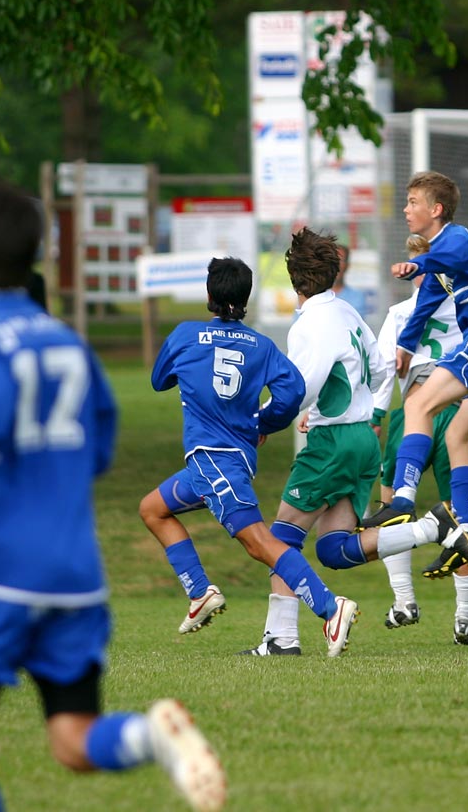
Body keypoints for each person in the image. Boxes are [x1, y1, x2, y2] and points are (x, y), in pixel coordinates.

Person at [0, 179, 228, 812]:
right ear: (35, 254)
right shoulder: (69, 345)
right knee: (72, 740)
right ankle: (151, 737)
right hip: (74, 574)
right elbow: (99, 446)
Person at [243, 227, 455, 657]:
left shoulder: (312, 324)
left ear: (294, 279)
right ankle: (432, 528)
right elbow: (379, 371)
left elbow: (300, 387)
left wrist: (263, 420)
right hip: (362, 440)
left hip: (334, 442)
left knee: (281, 537)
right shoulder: (347, 313)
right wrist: (332, 407)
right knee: (334, 549)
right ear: (332, 273)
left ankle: (281, 639)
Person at [138, 256, 362, 659]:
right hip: (228, 460)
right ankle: (200, 592)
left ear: (209, 294)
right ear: (245, 296)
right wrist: (263, 423)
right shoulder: (261, 345)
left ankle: (331, 608)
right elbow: (292, 393)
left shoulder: (185, 336)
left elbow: (159, 380)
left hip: (212, 458)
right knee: (153, 508)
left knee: (260, 543)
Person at [366, 171, 468, 586]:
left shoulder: (455, 239)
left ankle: (402, 499)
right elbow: (425, 302)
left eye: (412, 202)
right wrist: (405, 345)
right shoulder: (444, 258)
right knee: (457, 436)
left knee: (418, 405)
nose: (406, 209)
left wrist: (413, 265)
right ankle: (465, 532)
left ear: (435, 210)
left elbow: (432, 263)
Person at [367, 233, 468, 645]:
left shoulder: (401, 312)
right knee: (459, 520)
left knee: (391, 506)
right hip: (459, 410)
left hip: (417, 409)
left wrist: (378, 417)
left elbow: (385, 369)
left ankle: (404, 602)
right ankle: (465, 621)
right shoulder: (466, 306)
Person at [331, 243, 371, 319]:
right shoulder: (314, 295)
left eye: (341, 260)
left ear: (347, 265)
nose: (337, 265)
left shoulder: (357, 297)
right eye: (334, 260)